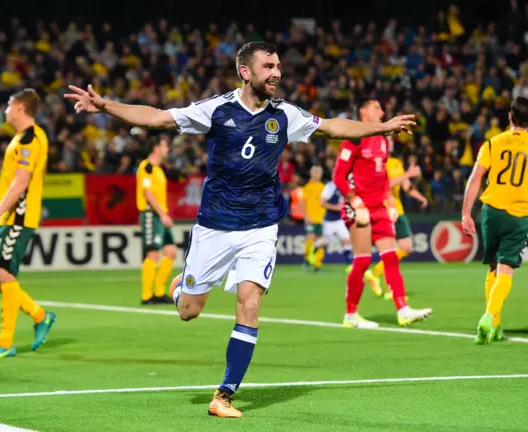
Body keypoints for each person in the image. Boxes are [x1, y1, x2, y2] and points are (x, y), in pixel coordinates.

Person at [65, 41, 416, 418]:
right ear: (245, 71)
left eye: (278, 65)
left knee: (250, 301)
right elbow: (157, 118)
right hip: (215, 225)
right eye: (268, 66)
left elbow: (331, 127)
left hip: (261, 225)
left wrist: (381, 127)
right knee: (188, 311)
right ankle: (183, 287)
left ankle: (225, 394)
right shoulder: (217, 109)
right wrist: (106, 106)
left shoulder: (285, 115)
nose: (276, 73)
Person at [333, 98, 433, 329]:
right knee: (363, 260)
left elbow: (383, 176)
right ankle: (351, 315)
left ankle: (403, 310)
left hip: (379, 206)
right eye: (377, 107)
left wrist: (388, 200)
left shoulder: (384, 141)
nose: (382, 111)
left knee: (390, 257)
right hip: (359, 205)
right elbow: (339, 176)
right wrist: (354, 200)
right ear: (364, 112)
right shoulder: (355, 138)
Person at [0, 89, 56, 359]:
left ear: (20, 107)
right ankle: (39, 315)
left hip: (19, 216)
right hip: (10, 217)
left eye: (8, 105)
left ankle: (5, 343)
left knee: (5, 273)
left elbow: (21, 181)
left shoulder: (32, 138)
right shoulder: (20, 138)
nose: (5, 110)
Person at [461, 97, 528, 345]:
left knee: (492, 267)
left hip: (491, 211)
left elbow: (475, 177)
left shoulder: (492, 143)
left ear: (510, 117)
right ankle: (489, 317)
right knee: (506, 270)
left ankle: (496, 327)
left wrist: (466, 213)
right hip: (519, 213)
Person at [370, 150, 428, 300]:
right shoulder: (376, 163)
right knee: (392, 250)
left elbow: (405, 185)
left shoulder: (396, 162)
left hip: (398, 210)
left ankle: (375, 273)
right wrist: (408, 174)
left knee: (406, 248)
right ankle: (392, 289)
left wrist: (420, 197)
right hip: (385, 210)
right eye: (386, 138)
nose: (389, 142)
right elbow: (386, 185)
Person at [136, 136, 176, 305]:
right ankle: (147, 296)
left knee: (171, 252)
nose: (167, 149)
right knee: (153, 252)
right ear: (156, 148)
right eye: (165, 145)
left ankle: (159, 292)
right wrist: (162, 214)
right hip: (151, 214)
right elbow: (147, 193)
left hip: (160, 215)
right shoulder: (147, 167)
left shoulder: (159, 169)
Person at [319, 179, 353, 265]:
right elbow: (322, 203)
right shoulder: (331, 186)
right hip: (329, 220)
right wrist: (336, 207)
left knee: (346, 238)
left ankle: (349, 264)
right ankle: (314, 253)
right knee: (325, 242)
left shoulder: (348, 185)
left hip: (340, 219)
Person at [301, 165, 326, 272]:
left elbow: (325, 203)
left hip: (321, 219)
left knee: (320, 241)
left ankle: (317, 264)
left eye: (319, 172)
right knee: (310, 238)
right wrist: (306, 216)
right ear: (311, 173)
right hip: (310, 218)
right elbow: (302, 203)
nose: (317, 174)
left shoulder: (323, 187)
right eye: (315, 172)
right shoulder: (307, 187)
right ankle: (306, 260)